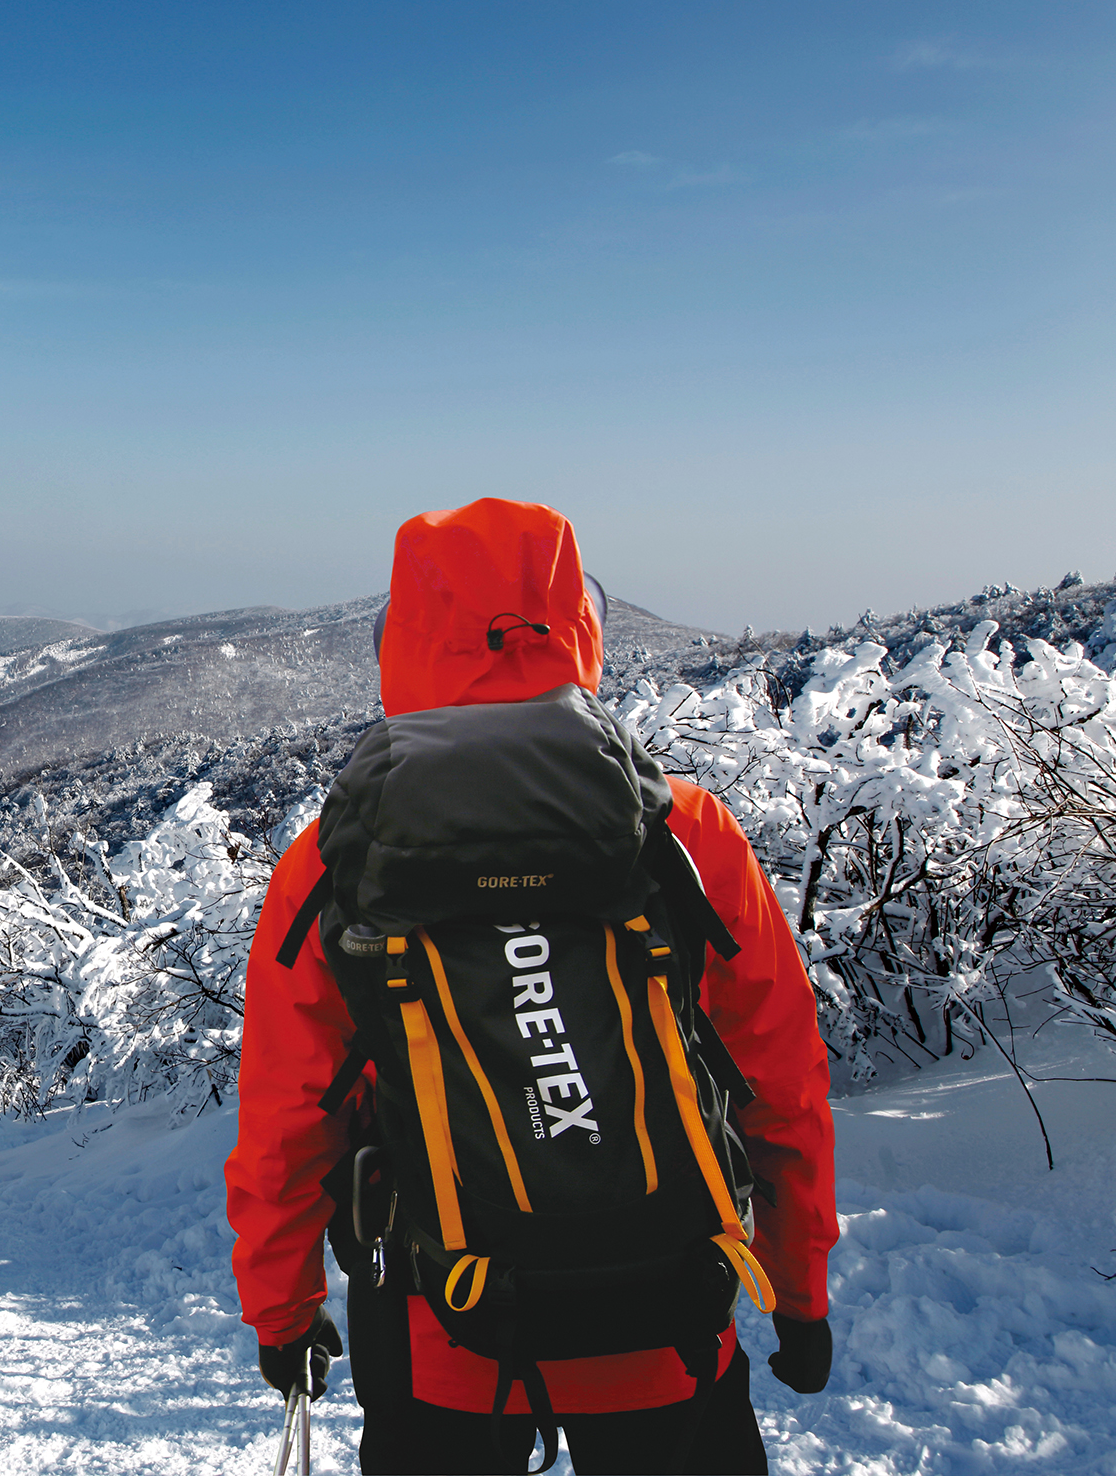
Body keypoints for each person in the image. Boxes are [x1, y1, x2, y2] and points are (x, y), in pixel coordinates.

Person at [224, 498, 837, 1475]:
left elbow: (289, 1115)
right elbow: (782, 1082)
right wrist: (798, 1291)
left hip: (442, 1331)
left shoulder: (335, 858)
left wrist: (282, 1310)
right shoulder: (685, 833)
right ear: (579, 625)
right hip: (670, 1323)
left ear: (401, 637)